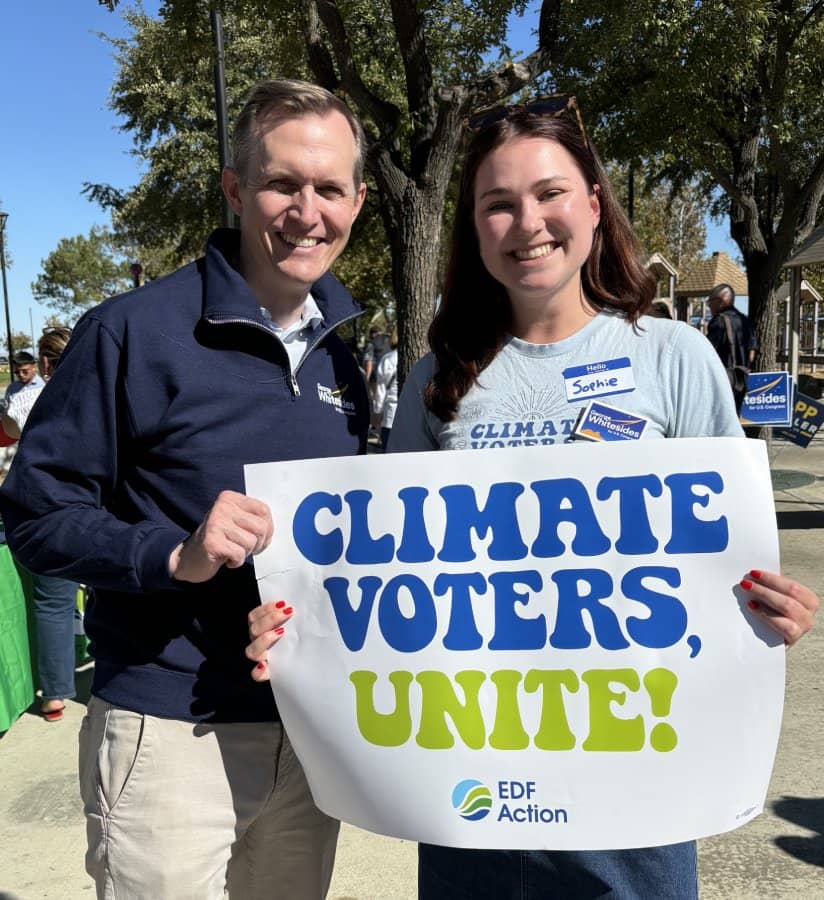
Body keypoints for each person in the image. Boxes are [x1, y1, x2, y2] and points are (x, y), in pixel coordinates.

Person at [247, 95, 818, 900]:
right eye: (498, 204)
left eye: (549, 194)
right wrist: (301, 626)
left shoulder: (675, 358)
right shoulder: (438, 379)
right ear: (474, 228)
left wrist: (774, 608)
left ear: (592, 204)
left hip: (637, 793)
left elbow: (728, 568)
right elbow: (384, 581)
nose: (527, 223)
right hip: (470, 790)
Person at [0, 79, 369, 899]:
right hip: (170, 733)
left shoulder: (349, 353)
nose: (306, 210)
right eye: (282, 184)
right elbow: (34, 510)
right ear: (237, 190)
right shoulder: (130, 331)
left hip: (309, 736)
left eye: (329, 188)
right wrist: (173, 553)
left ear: (358, 201)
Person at [2, 327, 79, 722]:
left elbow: (5, 434)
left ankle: (53, 695)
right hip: (98, 503)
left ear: (45, 363)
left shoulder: (26, 400)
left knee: (52, 601)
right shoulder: (102, 387)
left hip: (46, 506)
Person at [706, 282, 756, 411]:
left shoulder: (718, 321)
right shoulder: (745, 320)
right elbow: (751, 354)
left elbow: (708, 352)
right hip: (742, 380)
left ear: (720, 301)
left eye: (710, 302)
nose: (709, 306)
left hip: (722, 380)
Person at [372, 325, 399, 450]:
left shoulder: (388, 359)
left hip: (390, 415)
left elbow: (381, 391)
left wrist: (377, 413)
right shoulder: (424, 358)